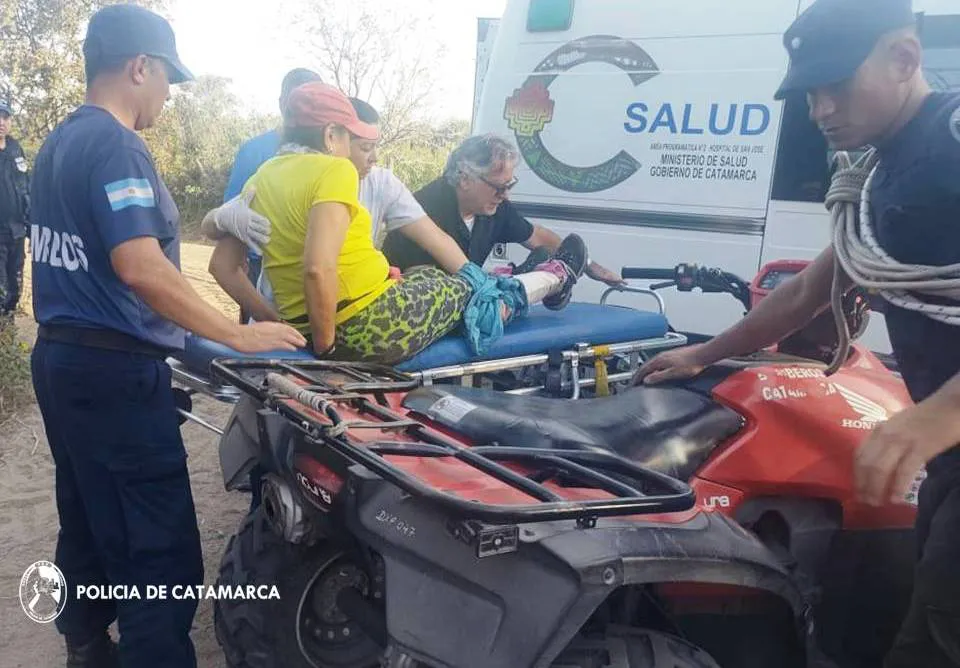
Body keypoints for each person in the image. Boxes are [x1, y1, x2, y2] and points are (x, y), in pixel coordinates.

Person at [635, 1, 960, 665]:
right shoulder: (880, 171)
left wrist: (931, 420)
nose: (821, 109)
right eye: (811, 93)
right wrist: (706, 352)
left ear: (902, 58)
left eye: (836, 85)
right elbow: (813, 290)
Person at [28, 6, 305, 668]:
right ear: (139, 67)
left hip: (62, 361)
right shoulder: (117, 145)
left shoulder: (56, 143)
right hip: (114, 373)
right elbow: (140, 267)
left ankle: (87, 645)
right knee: (157, 547)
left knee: (89, 512)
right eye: (167, 80)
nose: (168, 97)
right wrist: (236, 337)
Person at [234, 81, 586, 364]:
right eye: (353, 139)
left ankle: (510, 279)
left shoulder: (262, 176)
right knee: (470, 297)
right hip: (364, 325)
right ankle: (552, 278)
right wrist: (325, 349)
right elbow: (317, 268)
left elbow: (222, 264)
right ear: (330, 136)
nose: (369, 155)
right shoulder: (335, 169)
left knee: (430, 277)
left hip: (309, 321)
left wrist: (277, 321)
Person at [205, 96, 471, 323]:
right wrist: (276, 322)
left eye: (376, 146)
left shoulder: (381, 182)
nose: (374, 157)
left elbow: (436, 240)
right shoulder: (279, 180)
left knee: (425, 277)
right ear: (332, 138)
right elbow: (224, 257)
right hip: (304, 322)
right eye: (365, 147)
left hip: (344, 315)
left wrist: (477, 280)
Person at [381, 133, 625, 287]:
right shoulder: (422, 210)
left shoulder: (493, 207)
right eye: (498, 188)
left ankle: (529, 282)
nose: (505, 195)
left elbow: (537, 236)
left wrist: (589, 265)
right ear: (464, 178)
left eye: (510, 185)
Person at [219, 67, 322, 323]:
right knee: (260, 345)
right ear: (281, 104)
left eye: (313, 101)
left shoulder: (333, 152)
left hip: (311, 266)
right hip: (260, 265)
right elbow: (232, 214)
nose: (303, 110)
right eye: (296, 102)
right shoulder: (254, 151)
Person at [0, 100, 29, 317]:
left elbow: (25, 188)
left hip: (17, 231)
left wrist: (31, 226)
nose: (1, 122)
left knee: (15, 287)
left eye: (5, 117)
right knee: (0, 288)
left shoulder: (15, 148)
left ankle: (7, 330)